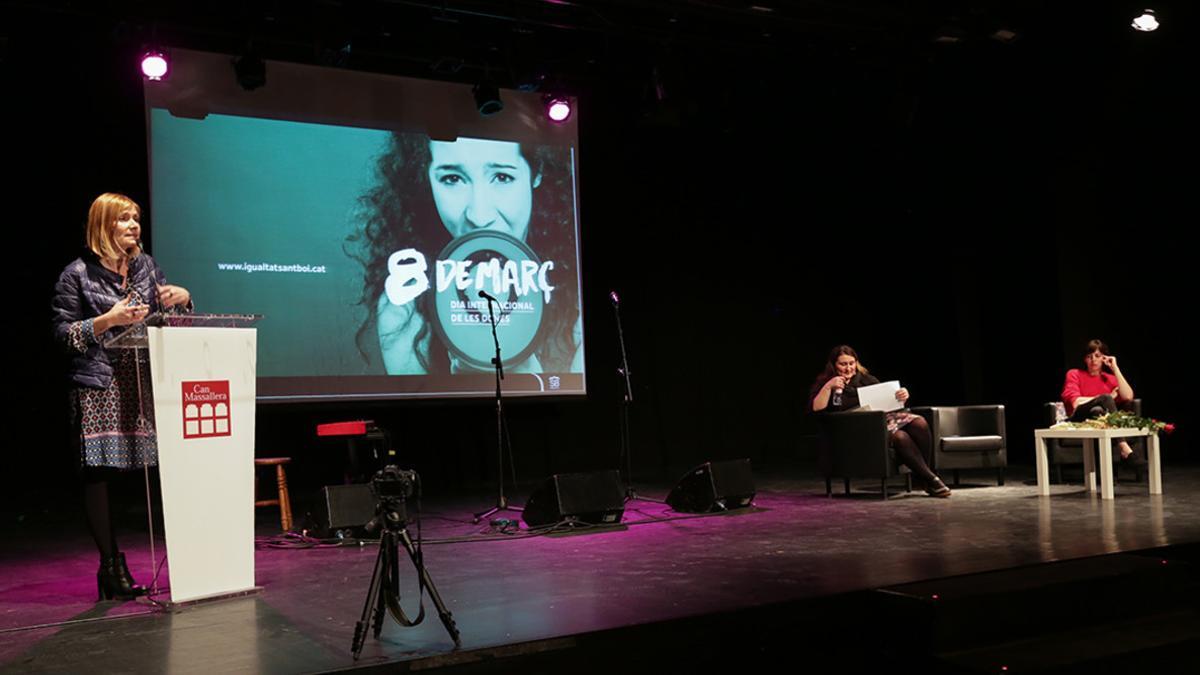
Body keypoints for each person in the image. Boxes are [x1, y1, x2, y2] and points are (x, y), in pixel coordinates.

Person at [51, 192, 192, 600]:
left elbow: (165, 320)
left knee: (150, 471)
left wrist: (182, 300)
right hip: (99, 386)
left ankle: (183, 556)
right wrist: (106, 320)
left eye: (136, 218)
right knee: (100, 475)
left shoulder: (147, 267)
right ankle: (110, 564)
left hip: (145, 382)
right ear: (103, 225)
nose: (133, 225)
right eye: (124, 219)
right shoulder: (76, 274)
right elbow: (61, 335)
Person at [349, 133, 582, 375]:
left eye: (502, 177)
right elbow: (416, 412)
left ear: (536, 173)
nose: (479, 216)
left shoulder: (581, 295)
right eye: (452, 178)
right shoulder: (406, 306)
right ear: (426, 178)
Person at [810, 345, 951, 497]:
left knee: (918, 423)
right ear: (833, 365)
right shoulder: (826, 382)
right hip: (852, 430)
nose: (848, 368)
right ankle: (930, 479)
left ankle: (927, 477)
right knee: (900, 436)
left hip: (877, 423)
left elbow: (887, 401)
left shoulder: (867, 380)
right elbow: (816, 408)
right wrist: (828, 386)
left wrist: (901, 395)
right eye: (843, 364)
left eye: (851, 363)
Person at [1061, 338, 1143, 464]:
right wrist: (1106, 397)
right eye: (1089, 356)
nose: (1093, 359)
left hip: (1100, 420)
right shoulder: (1074, 374)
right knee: (1105, 399)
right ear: (1085, 359)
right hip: (1078, 419)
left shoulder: (1109, 379)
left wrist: (1115, 368)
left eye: (1097, 356)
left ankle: (1103, 472)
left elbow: (1128, 396)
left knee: (1097, 410)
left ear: (1103, 358)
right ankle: (1123, 446)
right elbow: (1076, 402)